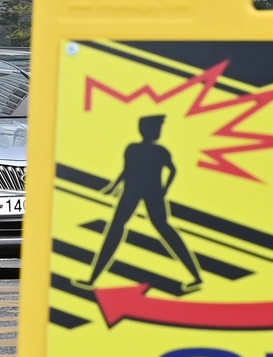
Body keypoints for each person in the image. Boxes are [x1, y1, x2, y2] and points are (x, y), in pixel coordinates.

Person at [81, 113, 203, 289]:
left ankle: (196, 276)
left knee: (163, 228)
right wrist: (113, 187)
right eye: (156, 127)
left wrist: (164, 190)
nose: (158, 130)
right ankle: (92, 280)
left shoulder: (160, 151)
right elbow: (127, 170)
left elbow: (172, 170)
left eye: (159, 127)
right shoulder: (133, 149)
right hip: (132, 191)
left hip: (151, 193)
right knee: (116, 228)